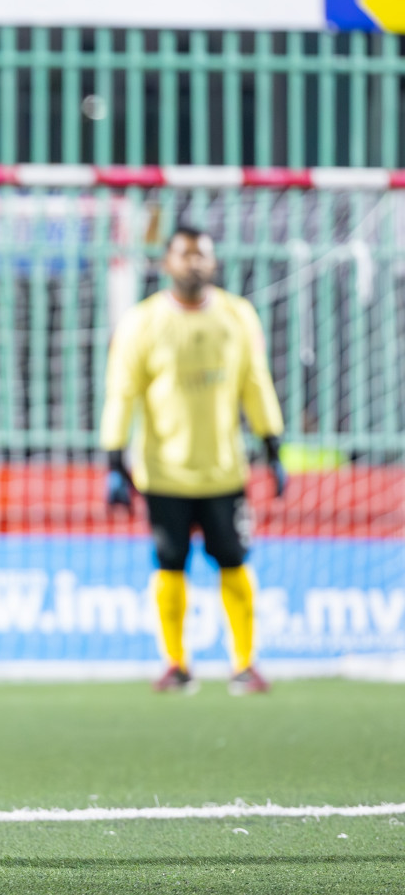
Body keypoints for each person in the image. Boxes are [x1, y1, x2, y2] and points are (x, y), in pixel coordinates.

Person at [100, 225, 287, 696]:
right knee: (169, 566)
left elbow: (256, 383)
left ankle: (245, 664)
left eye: (202, 255)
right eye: (184, 255)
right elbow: (122, 393)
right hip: (164, 473)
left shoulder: (237, 316)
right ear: (166, 263)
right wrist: (112, 459)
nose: (194, 263)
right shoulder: (142, 323)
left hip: (224, 471)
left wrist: (273, 446)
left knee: (235, 562)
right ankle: (175, 663)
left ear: (214, 262)